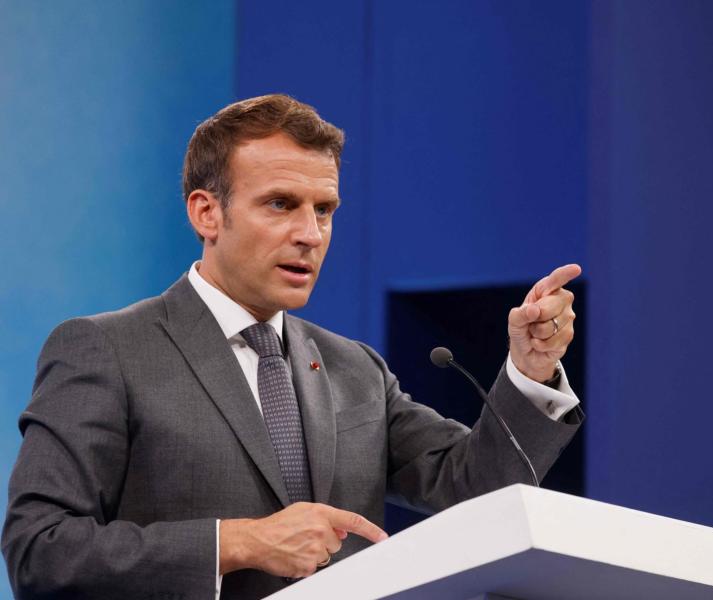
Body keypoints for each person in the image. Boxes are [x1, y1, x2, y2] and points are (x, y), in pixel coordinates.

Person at [2, 94, 583, 600]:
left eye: (324, 209)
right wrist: (236, 541)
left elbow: (474, 490)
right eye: (281, 204)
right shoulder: (107, 350)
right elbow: (40, 550)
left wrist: (532, 369)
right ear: (207, 212)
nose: (310, 233)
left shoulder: (355, 369)